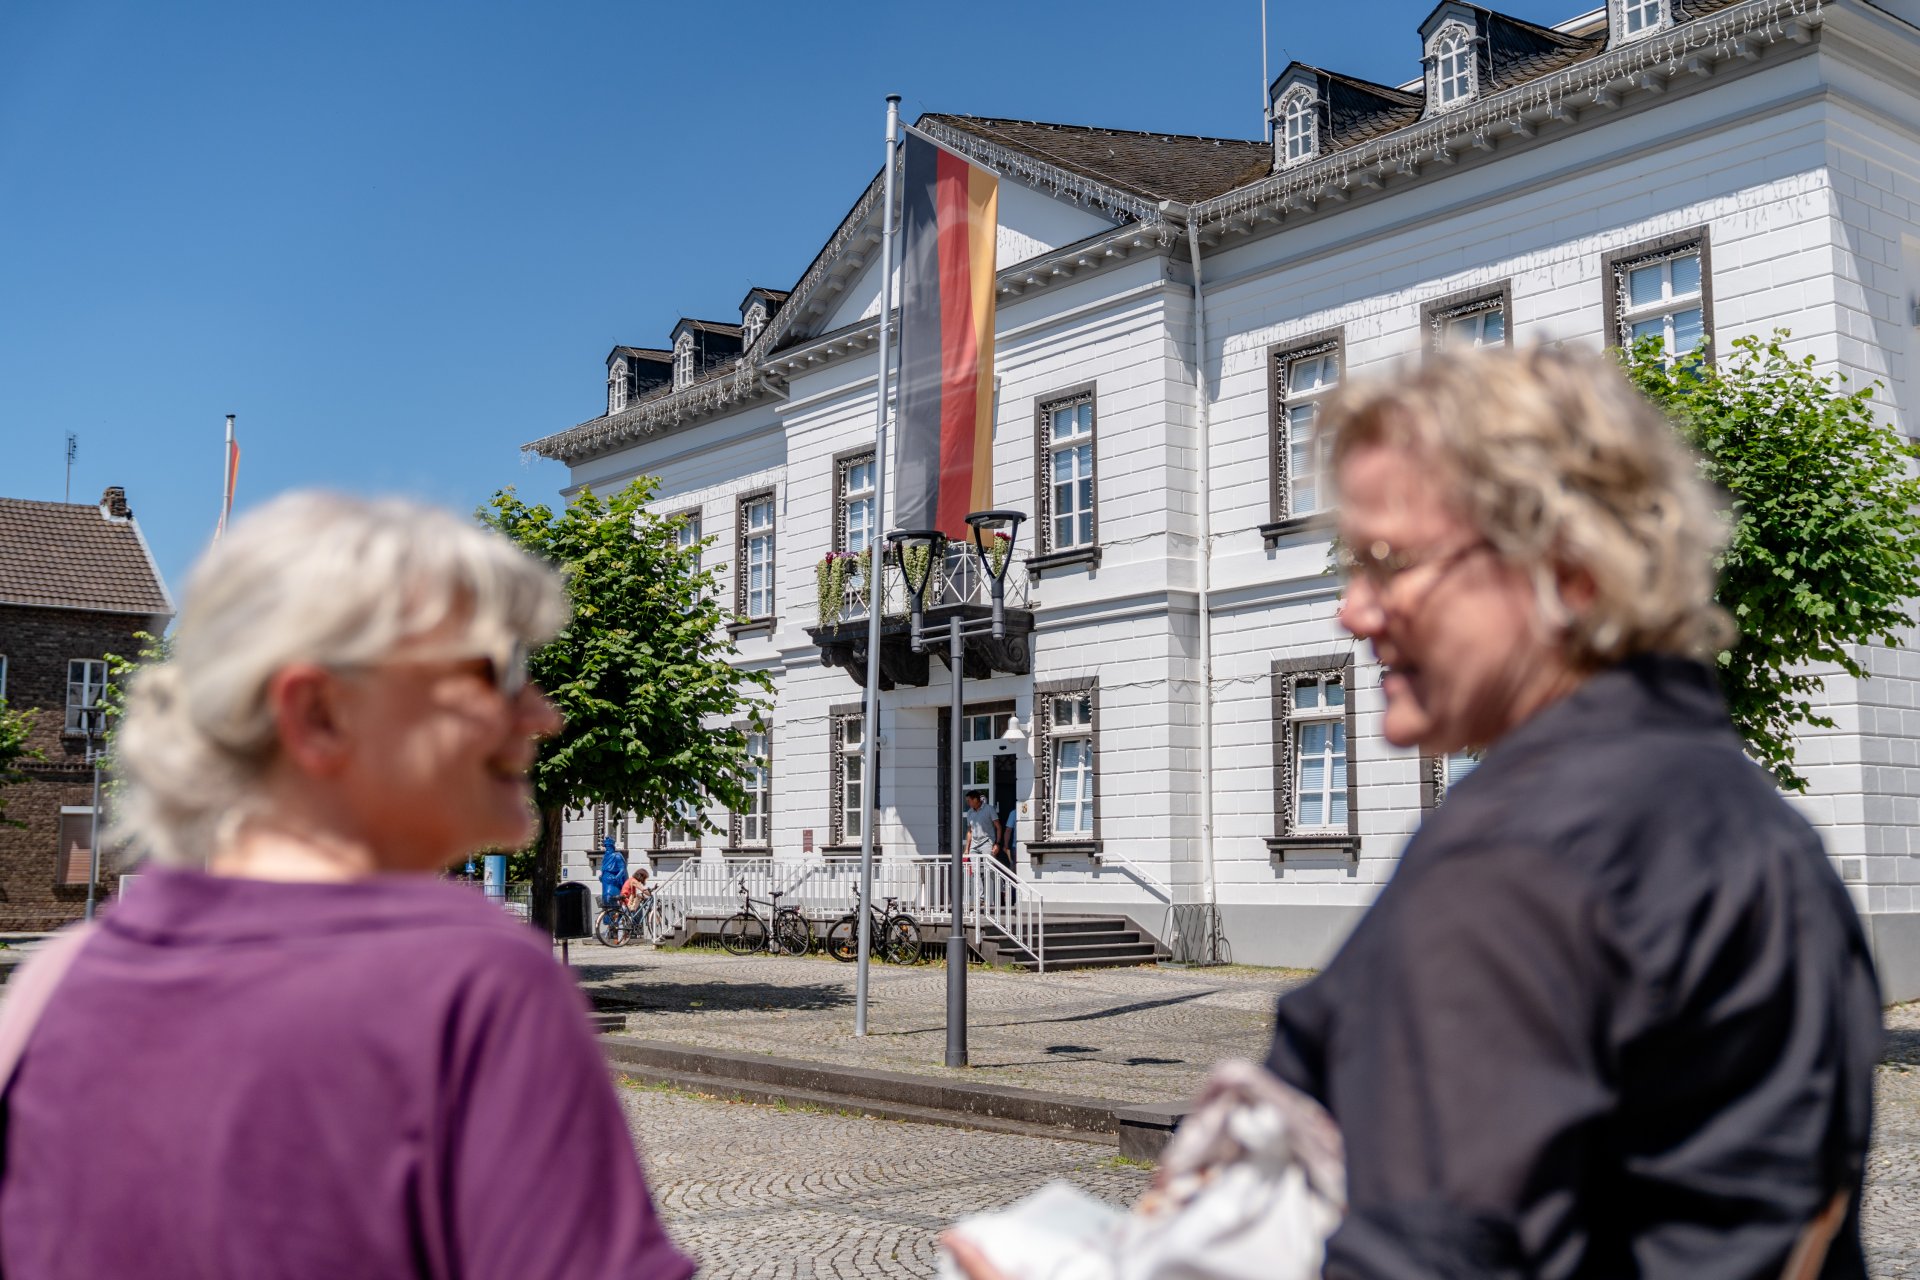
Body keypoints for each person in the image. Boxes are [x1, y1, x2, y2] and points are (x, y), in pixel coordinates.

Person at [1266, 345, 1881, 1278]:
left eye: (1389, 562)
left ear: (1569, 572)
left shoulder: (1518, 859)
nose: (1355, 609)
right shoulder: (1753, 821)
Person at [0, 492, 694, 1280]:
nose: (542, 716)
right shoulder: (475, 988)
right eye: (497, 672)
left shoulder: (51, 987)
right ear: (320, 712)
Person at [598, 833, 628, 910]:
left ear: (612, 847)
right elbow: (604, 868)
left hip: (612, 881)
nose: (607, 849)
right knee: (605, 900)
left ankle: (615, 919)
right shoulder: (605, 857)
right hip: (605, 881)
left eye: (608, 847)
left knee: (610, 898)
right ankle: (607, 919)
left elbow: (622, 869)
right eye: (606, 847)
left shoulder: (617, 856)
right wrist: (601, 875)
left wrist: (616, 877)